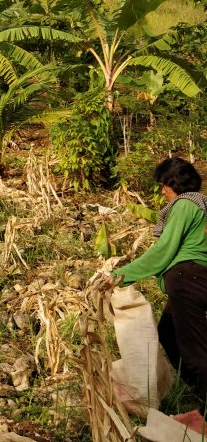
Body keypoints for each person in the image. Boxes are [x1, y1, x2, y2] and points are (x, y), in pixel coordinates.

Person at [113, 157, 207, 400]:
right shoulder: (201, 204)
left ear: (177, 182)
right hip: (194, 278)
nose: (163, 190)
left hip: (188, 279)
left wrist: (121, 276)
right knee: (167, 332)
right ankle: (199, 392)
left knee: (194, 348)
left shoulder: (185, 204)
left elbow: (164, 250)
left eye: (165, 184)